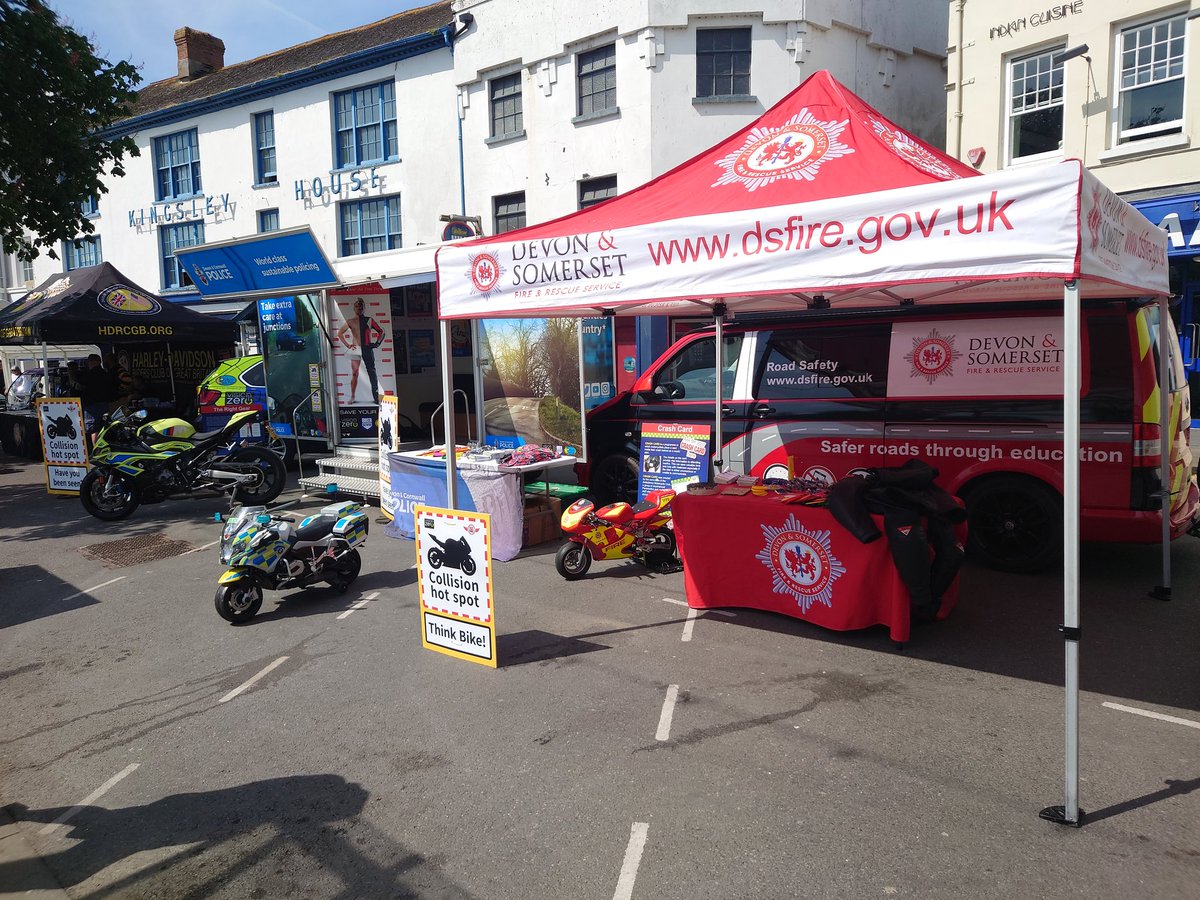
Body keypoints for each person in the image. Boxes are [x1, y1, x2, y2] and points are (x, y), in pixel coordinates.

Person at [336, 298, 384, 402]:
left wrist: (377, 343)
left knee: (372, 372)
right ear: (354, 308)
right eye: (357, 306)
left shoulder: (369, 320)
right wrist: (348, 345)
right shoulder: (350, 321)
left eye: (361, 306)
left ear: (364, 308)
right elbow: (340, 333)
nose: (359, 308)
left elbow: (381, 331)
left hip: (367, 348)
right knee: (355, 373)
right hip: (356, 348)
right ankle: (353, 397)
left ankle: (376, 398)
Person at [78, 354, 110, 439]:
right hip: (104, 403)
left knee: (93, 430)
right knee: (104, 427)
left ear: (91, 362)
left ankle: (97, 451)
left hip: (91, 405)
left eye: (89, 362)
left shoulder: (88, 374)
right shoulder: (105, 373)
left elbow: (79, 386)